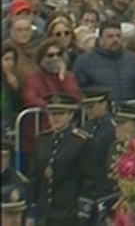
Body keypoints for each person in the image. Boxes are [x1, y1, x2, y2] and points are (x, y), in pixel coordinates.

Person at [32, 92, 93, 226]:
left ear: (70, 115)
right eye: (52, 114)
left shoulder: (80, 142)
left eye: (61, 114)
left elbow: (87, 179)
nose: (56, 118)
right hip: (45, 214)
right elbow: (35, 177)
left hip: (68, 213)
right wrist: (32, 210)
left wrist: (83, 210)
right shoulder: (41, 140)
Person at [72, 21, 135, 102]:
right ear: (100, 39)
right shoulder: (85, 61)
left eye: (118, 36)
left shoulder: (134, 60)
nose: (115, 40)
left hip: (131, 112)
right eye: (110, 36)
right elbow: (79, 91)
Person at [78, 88, 117, 220]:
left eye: (91, 106)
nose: (88, 111)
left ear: (104, 104)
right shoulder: (86, 127)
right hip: (88, 187)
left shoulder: (112, 128)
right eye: (86, 107)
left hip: (104, 188)